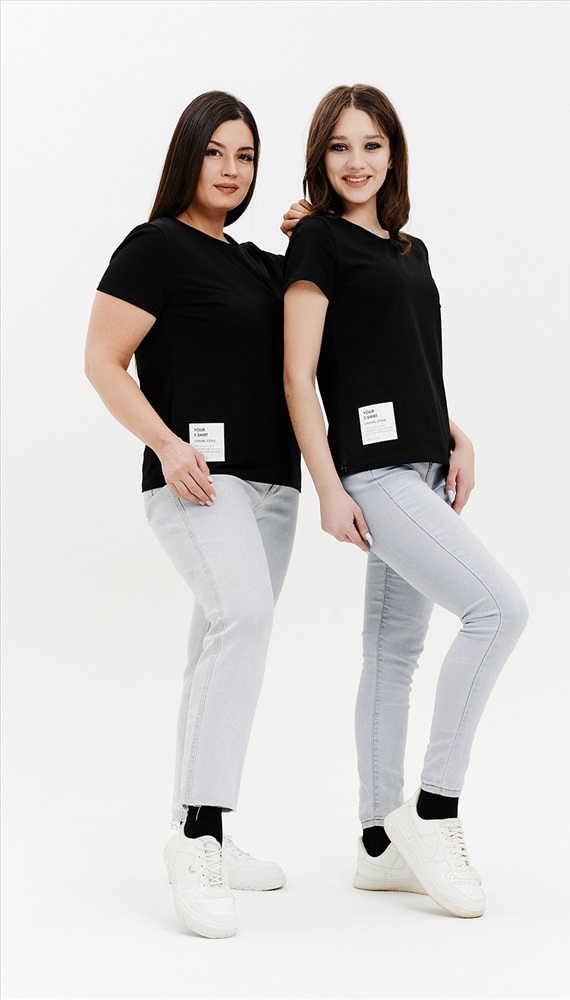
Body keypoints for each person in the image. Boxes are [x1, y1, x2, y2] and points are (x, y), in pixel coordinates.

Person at [282, 84, 529, 919]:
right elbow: (298, 377)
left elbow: (404, 357)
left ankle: (379, 846)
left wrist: (454, 433)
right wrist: (327, 486)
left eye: (371, 145)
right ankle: (433, 811)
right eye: (339, 146)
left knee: (392, 653)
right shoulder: (315, 241)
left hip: (423, 467)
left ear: (393, 155)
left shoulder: (408, 251)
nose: (356, 161)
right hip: (374, 477)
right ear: (320, 157)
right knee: (498, 610)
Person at [85, 91, 301, 939]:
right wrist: (168, 444)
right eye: (215, 152)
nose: (231, 169)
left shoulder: (260, 265)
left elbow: (325, 340)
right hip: (200, 479)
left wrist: (312, 235)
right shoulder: (154, 247)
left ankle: (199, 824)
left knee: (223, 639)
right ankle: (197, 840)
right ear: (188, 156)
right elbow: (103, 361)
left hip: (275, 484)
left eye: (245, 156)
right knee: (242, 619)